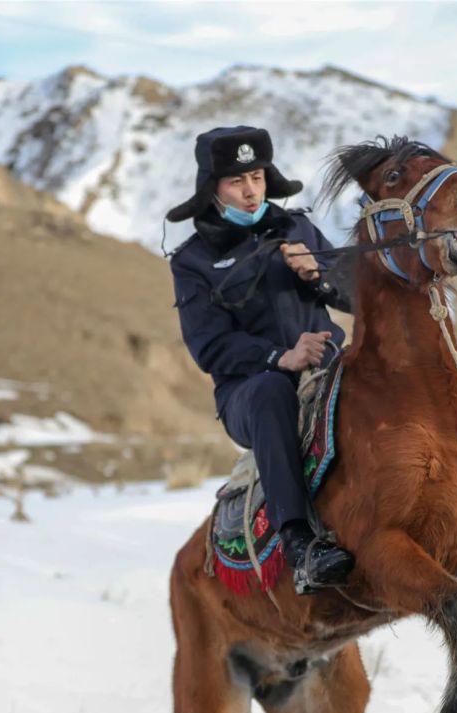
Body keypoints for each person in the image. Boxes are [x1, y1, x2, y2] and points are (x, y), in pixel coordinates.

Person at [167, 125, 355, 595]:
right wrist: (280, 357)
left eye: (256, 176)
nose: (250, 191)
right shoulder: (192, 261)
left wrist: (319, 276)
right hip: (249, 392)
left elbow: (357, 298)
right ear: (212, 187)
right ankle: (299, 544)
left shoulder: (300, 228)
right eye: (236, 181)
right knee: (272, 392)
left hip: (328, 367)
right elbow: (208, 347)